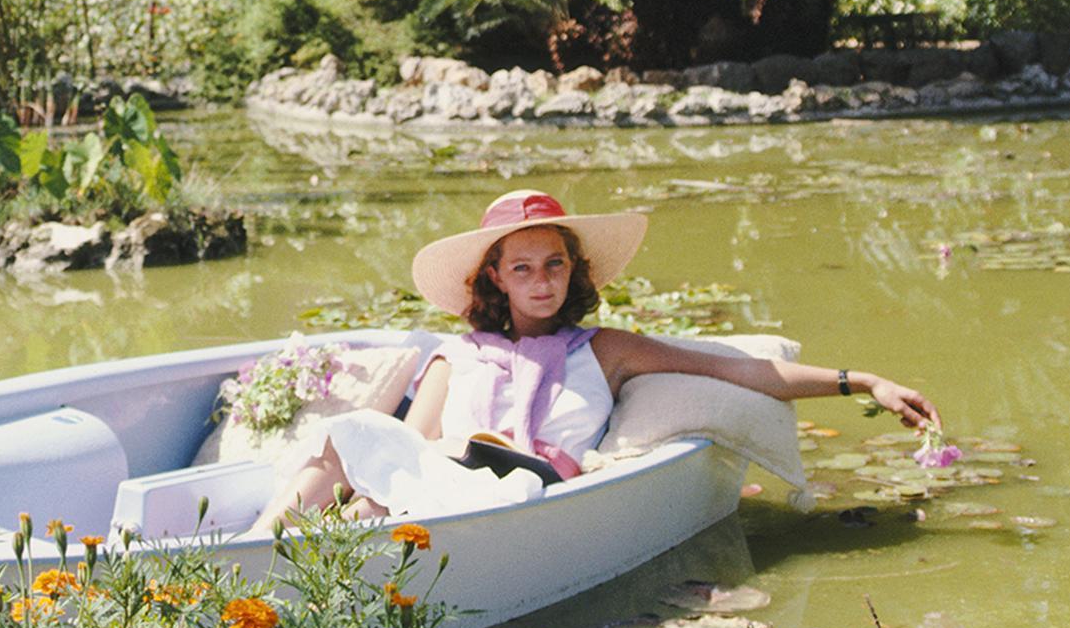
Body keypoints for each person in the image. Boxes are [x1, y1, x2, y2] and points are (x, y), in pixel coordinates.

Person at [251, 189, 942, 529]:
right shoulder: (455, 356)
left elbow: (740, 370)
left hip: (528, 495)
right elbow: (412, 446)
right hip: (444, 488)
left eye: (554, 264)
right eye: (522, 268)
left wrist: (863, 381)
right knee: (354, 445)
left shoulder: (605, 348)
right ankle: (256, 548)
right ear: (496, 278)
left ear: (573, 269)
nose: (541, 282)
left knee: (398, 496)